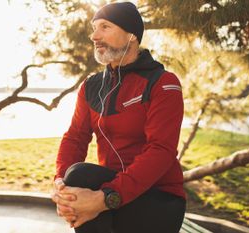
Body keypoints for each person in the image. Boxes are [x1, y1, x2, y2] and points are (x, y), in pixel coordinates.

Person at [51, 2, 186, 233]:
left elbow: (160, 150)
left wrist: (105, 197)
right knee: (72, 176)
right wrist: (61, 184)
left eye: (105, 27)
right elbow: (75, 137)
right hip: (110, 191)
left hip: (158, 198)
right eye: (94, 28)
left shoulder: (163, 83)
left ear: (132, 35)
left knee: (80, 175)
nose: (94, 36)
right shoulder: (90, 86)